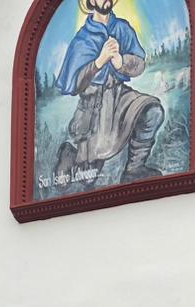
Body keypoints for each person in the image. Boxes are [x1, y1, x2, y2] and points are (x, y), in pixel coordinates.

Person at [52, 0, 165, 189]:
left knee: (153, 111)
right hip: (93, 106)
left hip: (120, 97)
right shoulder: (82, 39)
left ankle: (134, 169)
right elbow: (75, 85)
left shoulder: (122, 29)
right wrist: (100, 61)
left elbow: (139, 64)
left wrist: (121, 62)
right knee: (87, 178)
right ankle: (69, 154)